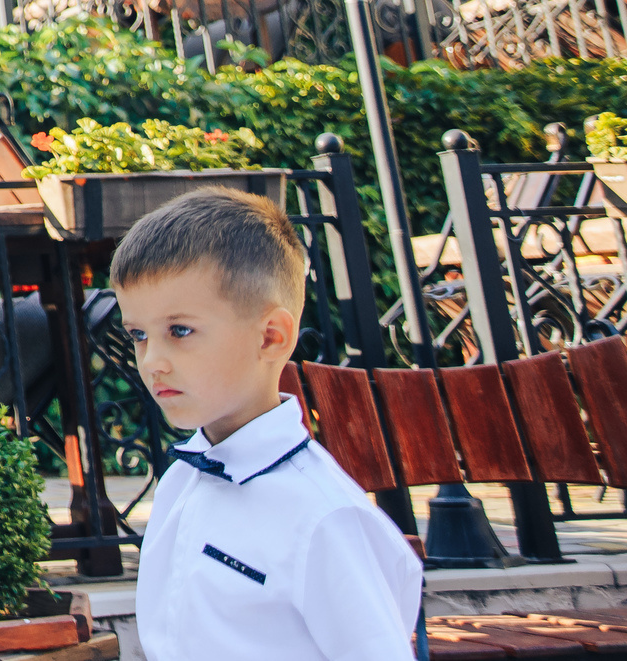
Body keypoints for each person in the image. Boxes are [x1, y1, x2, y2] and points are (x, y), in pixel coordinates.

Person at [116, 187, 423, 661]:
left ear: (271, 337)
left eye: (180, 331)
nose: (152, 361)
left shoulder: (325, 517)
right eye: (139, 334)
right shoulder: (179, 481)